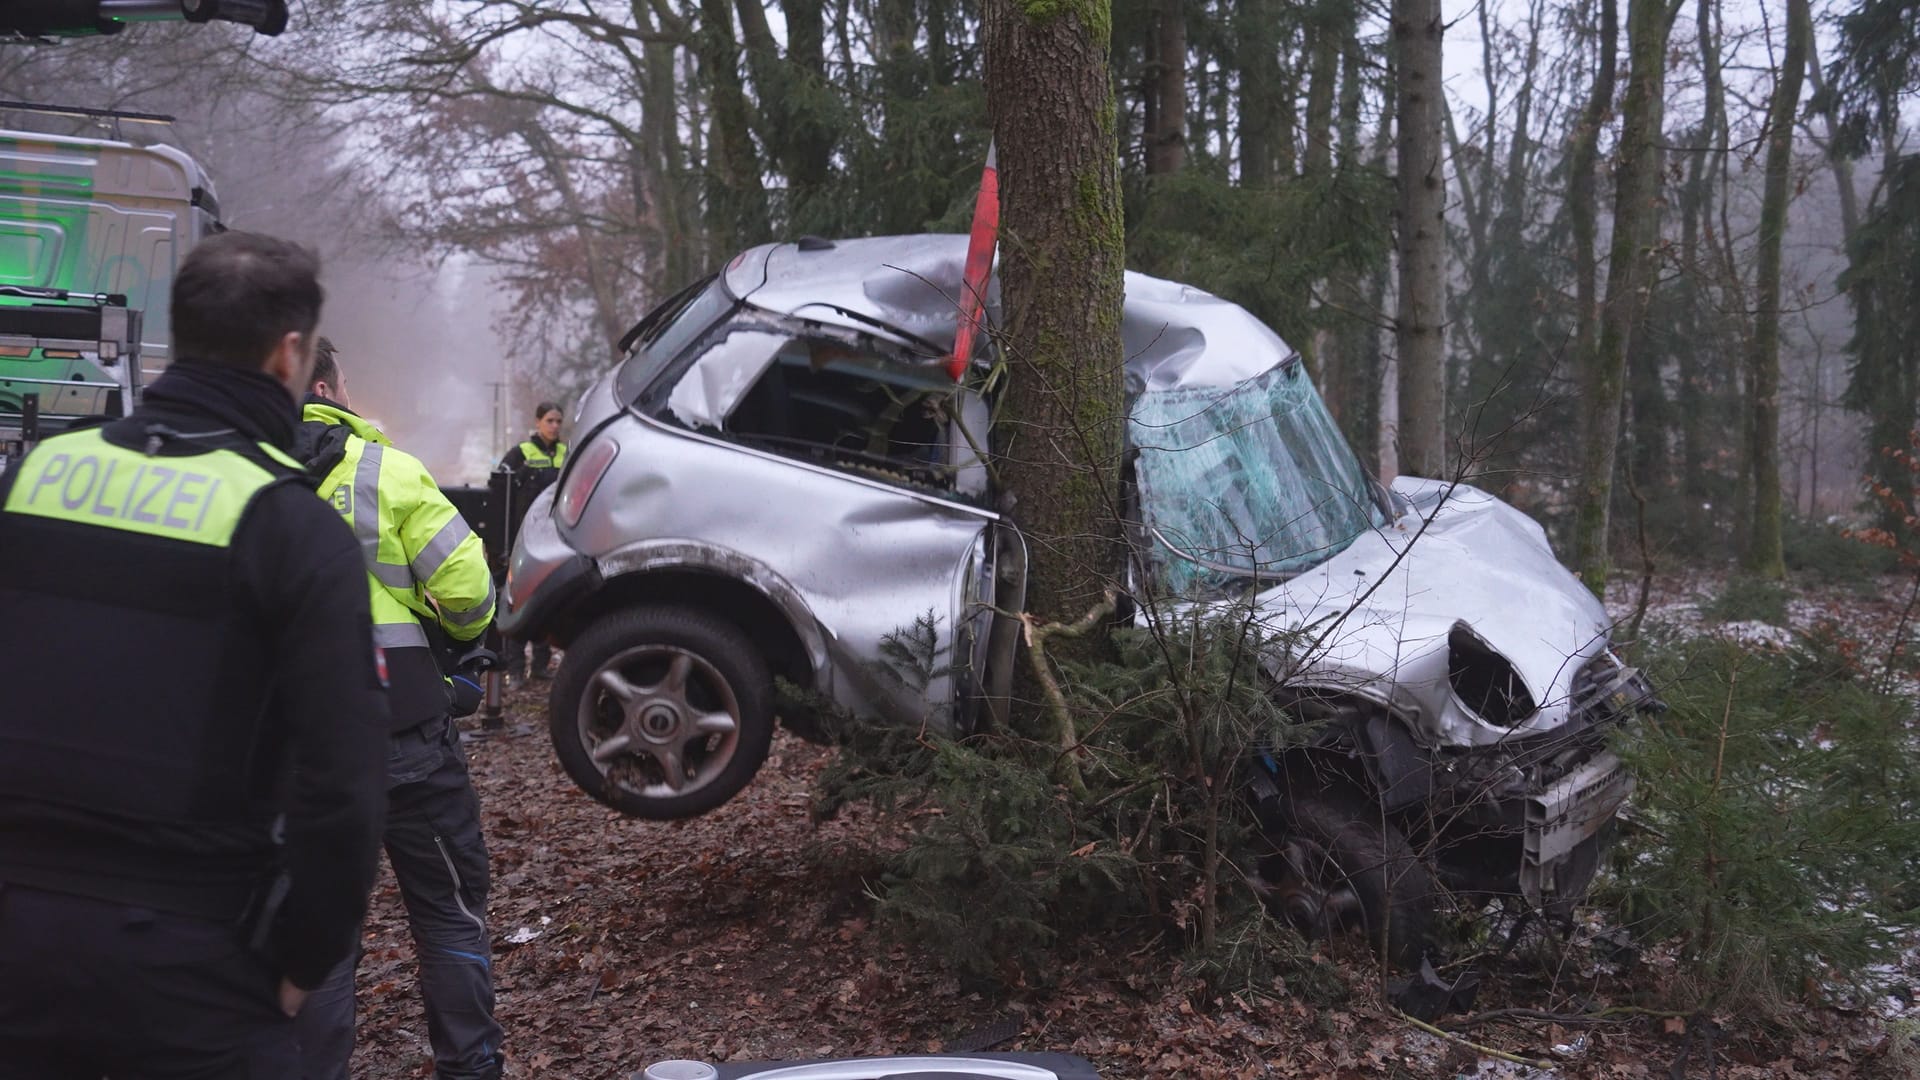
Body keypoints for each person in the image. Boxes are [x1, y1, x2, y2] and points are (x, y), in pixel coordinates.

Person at [0, 231, 388, 1077]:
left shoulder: (30, 481)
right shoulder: (292, 530)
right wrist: (301, 964)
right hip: (197, 967)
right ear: (290, 354)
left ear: (183, 334)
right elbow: (344, 788)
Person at [294, 339, 506, 1080]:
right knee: (448, 915)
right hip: (408, 738)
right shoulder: (385, 470)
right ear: (325, 384)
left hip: (300, 761)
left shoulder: (239, 481)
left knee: (316, 939)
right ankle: (471, 1070)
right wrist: (449, 652)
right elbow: (470, 592)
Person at [495, 401, 566, 680]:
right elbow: (501, 489)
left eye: (559, 421)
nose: (555, 426)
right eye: (550, 420)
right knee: (520, 601)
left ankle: (540, 666)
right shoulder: (521, 453)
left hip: (553, 538)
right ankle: (515, 669)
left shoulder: (566, 452)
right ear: (537, 422)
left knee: (548, 601)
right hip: (523, 538)